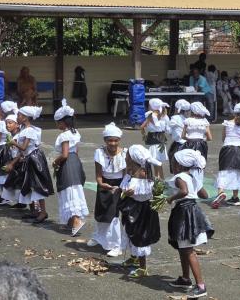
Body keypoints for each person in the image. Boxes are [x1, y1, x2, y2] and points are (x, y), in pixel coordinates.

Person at [168, 148, 212, 298]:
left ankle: (200, 286)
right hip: (193, 211)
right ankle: (185, 279)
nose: (171, 164)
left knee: (188, 250)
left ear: (178, 165)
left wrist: (169, 199)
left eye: (173, 162)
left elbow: (184, 191)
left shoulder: (179, 177)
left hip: (184, 213)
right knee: (183, 247)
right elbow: (204, 195)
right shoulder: (193, 177)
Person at [119, 145, 163, 279]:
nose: (125, 157)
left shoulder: (142, 177)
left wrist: (124, 194)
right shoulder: (132, 171)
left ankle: (143, 267)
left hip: (140, 212)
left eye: (127, 156)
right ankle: (134, 258)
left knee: (139, 236)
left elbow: (150, 189)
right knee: (131, 234)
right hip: (132, 210)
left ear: (133, 159)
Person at [90, 122, 126, 257]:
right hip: (104, 183)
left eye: (116, 140)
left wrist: (120, 188)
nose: (113, 143)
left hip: (119, 185)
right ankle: (99, 237)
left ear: (119, 141)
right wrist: (101, 183)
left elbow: (125, 174)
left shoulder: (124, 154)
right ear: (105, 140)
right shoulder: (99, 152)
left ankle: (116, 245)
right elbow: (98, 174)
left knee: (114, 215)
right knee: (101, 211)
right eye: (110, 140)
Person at [52, 100, 87, 236]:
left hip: (68, 164)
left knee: (69, 191)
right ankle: (70, 222)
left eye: (58, 122)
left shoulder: (64, 135)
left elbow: (65, 154)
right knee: (75, 189)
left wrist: (56, 162)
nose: (57, 125)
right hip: (76, 162)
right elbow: (75, 151)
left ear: (63, 122)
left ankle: (76, 221)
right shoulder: (75, 132)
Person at [143, 99, 170, 180]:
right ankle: (161, 179)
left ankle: (158, 179)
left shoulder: (149, 115)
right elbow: (168, 130)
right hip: (161, 138)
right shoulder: (165, 116)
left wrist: (144, 134)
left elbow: (143, 126)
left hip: (153, 138)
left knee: (155, 161)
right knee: (158, 161)